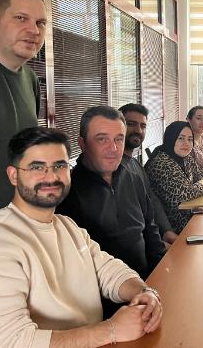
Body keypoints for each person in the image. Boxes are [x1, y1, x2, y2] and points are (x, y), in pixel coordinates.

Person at [0, 127, 161, 346]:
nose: (51, 176)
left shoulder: (67, 226)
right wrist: (111, 330)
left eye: (59, 166)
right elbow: (5, 341)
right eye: (37, 167)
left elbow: (108, 270)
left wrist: (144, 292)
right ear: (13, 175)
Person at [57, 106, 166, 280]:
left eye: (119, 139)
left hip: (148, 281)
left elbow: (150, 229)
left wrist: (161, 273)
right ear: (82, 144)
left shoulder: (132, 176)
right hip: (106, 291)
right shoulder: (67, 193)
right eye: (102, 139)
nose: (113, 148)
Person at [0, 0, 47, 226]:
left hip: (17, 227)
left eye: (40, 23)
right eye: (21, 18)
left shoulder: (31, 80)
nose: (33, 30)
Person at [119, 103, 177, 245]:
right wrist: (157, 245)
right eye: (131, 124)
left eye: (143, 126)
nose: (138, 130)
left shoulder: (135, 164)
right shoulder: (114, 168)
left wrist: (166, 230)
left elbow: (151, 199)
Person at [145, 121, 203, 234]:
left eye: (190, 139)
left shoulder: (185, 158)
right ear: (171, 138)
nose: (186, 143)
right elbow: (184, 193)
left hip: (190, 215)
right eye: (181, 138)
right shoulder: (162, 163)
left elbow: (201, 175)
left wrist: (198, 185)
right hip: (172, 227)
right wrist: (202, 185)